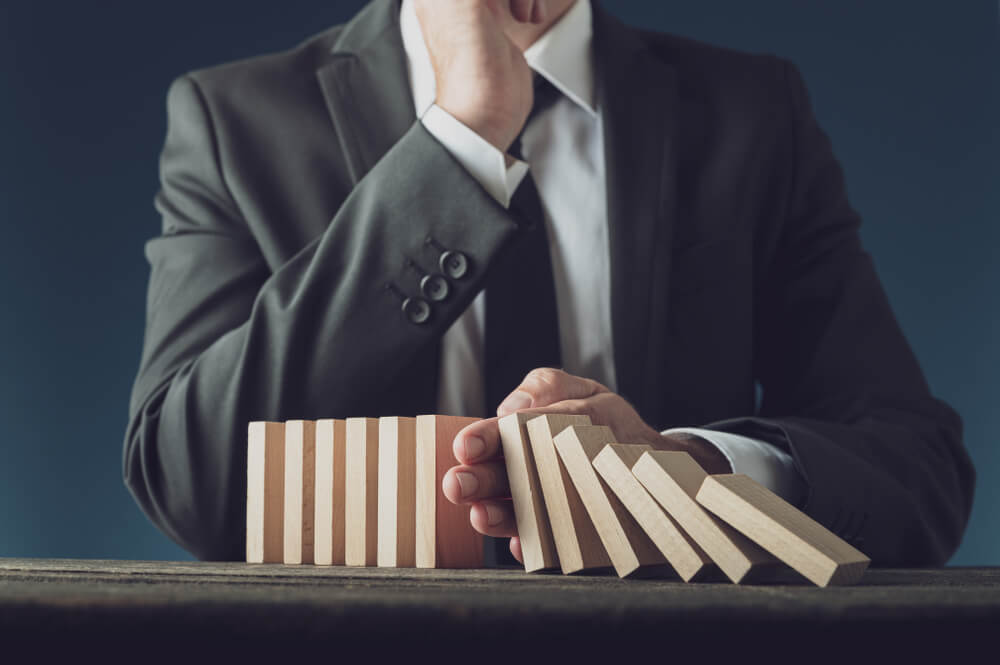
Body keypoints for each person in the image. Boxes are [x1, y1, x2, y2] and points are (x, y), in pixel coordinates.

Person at [124, 0, 975, 565]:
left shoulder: (752, 114)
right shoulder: (235, 120)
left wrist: (690, 474)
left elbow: (917, 472)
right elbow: (195, 483)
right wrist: (461, 138)